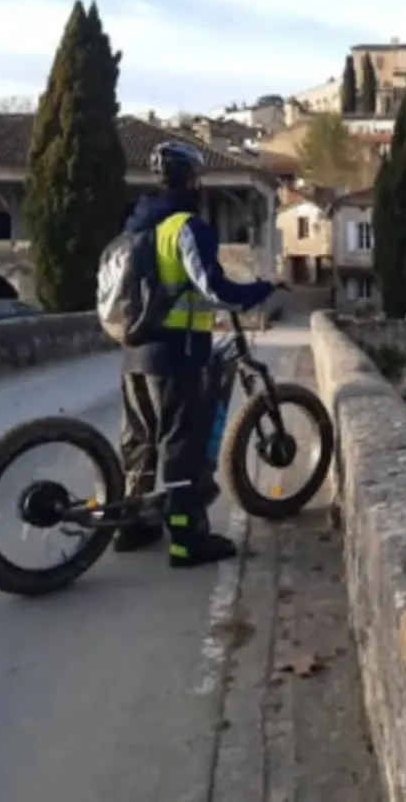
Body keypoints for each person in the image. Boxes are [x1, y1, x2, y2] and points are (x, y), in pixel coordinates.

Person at [115, 140, 277, 566]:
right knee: (181, 446)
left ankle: (132, 526)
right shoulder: (186, 227)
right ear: (192, 180)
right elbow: (214, 289)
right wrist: (260, 289)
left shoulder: (137, 226)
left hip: (133, 350)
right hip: (177, 352)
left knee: (140, 443)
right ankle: (189, 541)